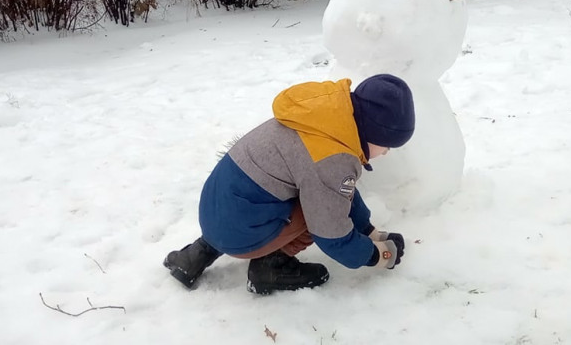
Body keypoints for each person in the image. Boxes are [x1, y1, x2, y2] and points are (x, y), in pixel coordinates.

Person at [163, 73, 415, 294]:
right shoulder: (333, 158)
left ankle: (193, 257)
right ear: (374, 132)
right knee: (318, 210)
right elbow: (331, 230)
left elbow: (337, 190)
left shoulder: (323, 119)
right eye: (388, 144)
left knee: (313, 193)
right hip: (239, 229)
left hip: (216, 210)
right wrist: (379, 255)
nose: (387, 152)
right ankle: (271, 267)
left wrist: (370, 232)